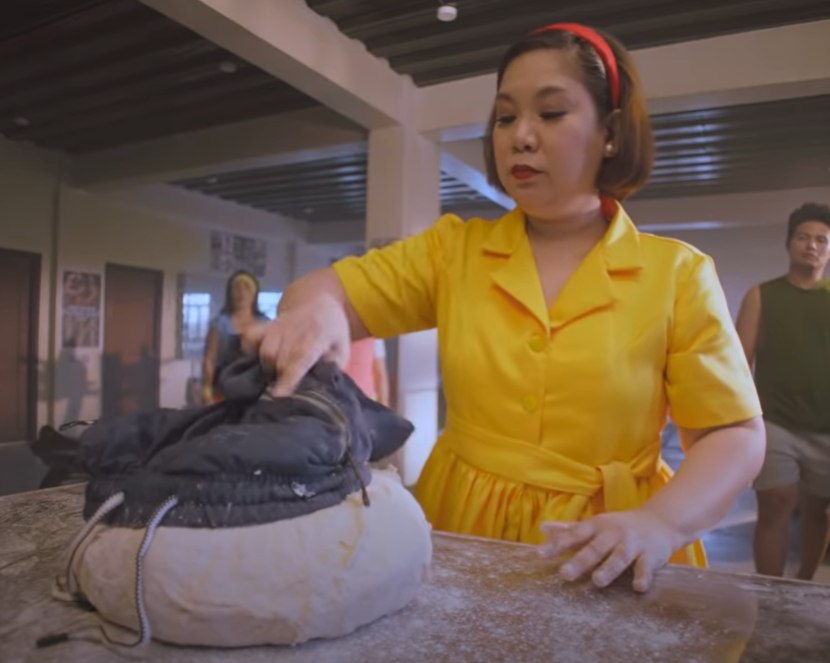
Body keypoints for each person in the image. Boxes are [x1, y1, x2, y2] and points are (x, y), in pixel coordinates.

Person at [247, 23, 765, 592]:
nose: (520, 136)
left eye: (550, 114)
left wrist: (660, 523)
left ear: (611, 132)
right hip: (460, 528)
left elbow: (734, 435)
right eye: (504, 116)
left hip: (613, 542)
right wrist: (317, 309)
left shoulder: (677, 274)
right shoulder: (454, 251)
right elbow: (328, 291)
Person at [735, 202, 830, 581]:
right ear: (789, 243)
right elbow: (739, 364)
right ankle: (771, 596)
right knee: (776, 501)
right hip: (775, 420)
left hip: (826, 425)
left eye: (821, 239)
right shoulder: (762, 295)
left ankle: (805, 583)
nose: (812, 245)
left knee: (819, 509)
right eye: (803, 237)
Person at [202, 270, 270, 403]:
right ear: (229, 293)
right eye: (237, 288)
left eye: (247, 288)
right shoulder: (220, 323)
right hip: (224, 389)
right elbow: (209, 360)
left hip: (257, 390)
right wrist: (206, 391)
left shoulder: (265, 324)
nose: (241, 293)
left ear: (255, 293)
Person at [343, 337, 390, 406]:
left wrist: (384, 403)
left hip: (367, 401)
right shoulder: (332, 331)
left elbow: (380, 373)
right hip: (338, 400)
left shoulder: (374, 335)